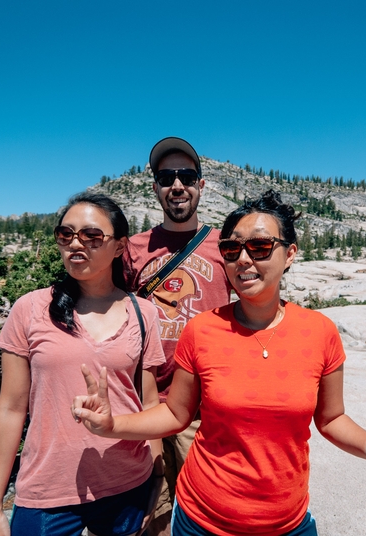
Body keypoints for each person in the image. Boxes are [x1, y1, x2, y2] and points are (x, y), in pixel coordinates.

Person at [73, 190, 366, 535]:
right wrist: (112, 425)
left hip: (287, 524)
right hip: (201, 521)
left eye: (259, 247)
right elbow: (176, 414)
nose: (243, 259)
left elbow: (331, 419)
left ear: (290, 254)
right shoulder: (202, 330)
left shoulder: (320, 332)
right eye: (231, 248)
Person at [0, 192, 166, 536]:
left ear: (118, 247)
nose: (75, 244)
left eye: (92, 236)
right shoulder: (29, 309)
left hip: (128, 482)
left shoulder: (144, 314)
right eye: (65, 235)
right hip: (47, 490)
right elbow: (10, 408)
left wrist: (157, 477)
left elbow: (149, 402)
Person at [122, 137, 232, 535]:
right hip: (143, 401)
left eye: (186, 176)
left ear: (201, 185)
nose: (177, 185)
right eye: (166, 177)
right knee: (150, 514)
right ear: (155, 187)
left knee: (205, 513)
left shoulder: (225, 246)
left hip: (202, 411)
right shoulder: (133, 249)